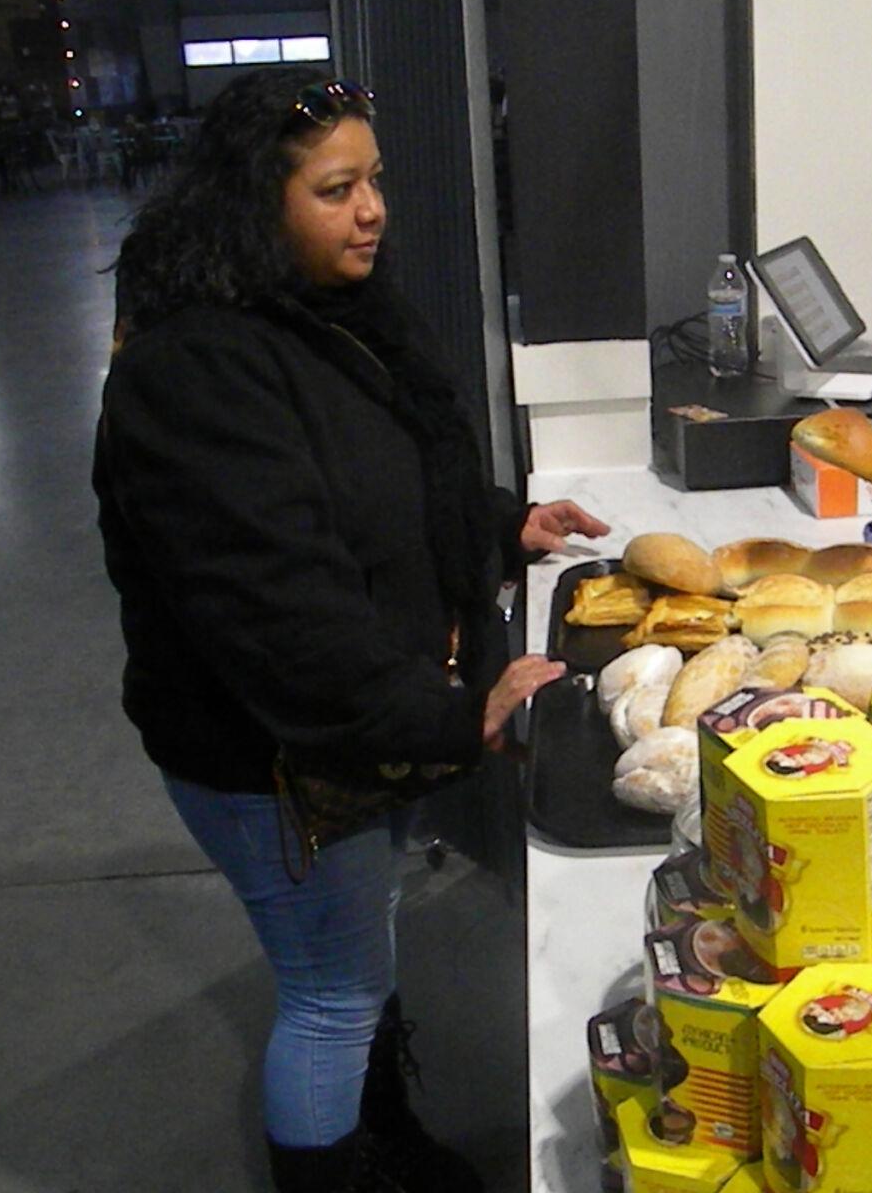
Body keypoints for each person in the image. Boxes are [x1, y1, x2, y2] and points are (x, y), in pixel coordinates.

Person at [94, 69, 609, 1192]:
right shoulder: (194, 372)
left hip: (349, 733)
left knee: (357, 959)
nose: (372, 209)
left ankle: (385, 1140)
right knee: (328, 991)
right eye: (336, 188)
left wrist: (500, 523)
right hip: (273, 756)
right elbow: (277, 610)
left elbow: (385, 485)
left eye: (373, 179)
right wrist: (453, 712)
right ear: (254, 205)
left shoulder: (328, 317)